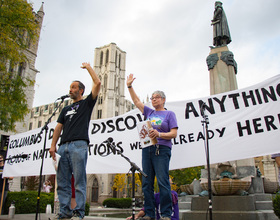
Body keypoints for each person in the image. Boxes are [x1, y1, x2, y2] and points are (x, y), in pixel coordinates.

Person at [50, 62, 101, 220]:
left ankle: (79, 212)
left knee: (79, 180)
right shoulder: (65, 109)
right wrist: (53, 146)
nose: (70, 90)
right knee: (63, 182)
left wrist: (88, 68)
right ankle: (64, 212)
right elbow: (58, 128)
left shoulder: (87, 103)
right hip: (62, 147)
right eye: (70, 87)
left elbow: (98, 83)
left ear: (81, 91)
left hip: (79, 145)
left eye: (73, 87)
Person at [126, 74, 178, 220]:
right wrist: (129, 86)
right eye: (152, 98)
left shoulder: (169, 114)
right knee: (147, 183)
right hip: (147, 150)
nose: (153, 99)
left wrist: (159, 134)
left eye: (156, 97)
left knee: (162, 181)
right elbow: (136, 101)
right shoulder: (149, 112)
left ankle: (166, 214)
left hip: (161, 150)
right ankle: (149, 213)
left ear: (163, 100)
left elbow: (174, 133)